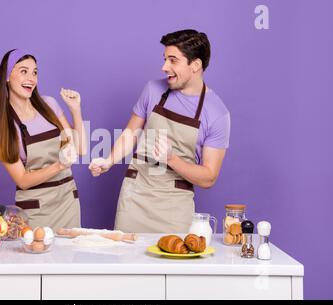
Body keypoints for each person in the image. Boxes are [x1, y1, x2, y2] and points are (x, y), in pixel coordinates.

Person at [89, 30, 230, 233]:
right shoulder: (153, 90)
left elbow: (209, 177)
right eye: (165, 59)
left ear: (195, 65)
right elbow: (130, 133)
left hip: (174, 209)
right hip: (134, 199)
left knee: (170, 262)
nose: (164, 67)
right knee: (126, 262)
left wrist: (171, 159)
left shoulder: (217, 114)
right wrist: (109, 160)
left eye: (173, 60)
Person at [0, 49, 87, 230]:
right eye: (23, 71)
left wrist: (76, 110)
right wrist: (59, 165)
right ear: (7, 76)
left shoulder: (49, 105)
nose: (31, 78)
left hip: (67, 202)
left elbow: (80, 149)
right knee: (38, 256)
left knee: (69, 257)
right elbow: (22, 180)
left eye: (35, 72)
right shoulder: (1, 126)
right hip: (36, 210)